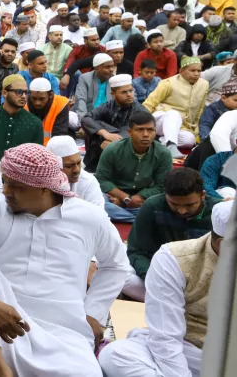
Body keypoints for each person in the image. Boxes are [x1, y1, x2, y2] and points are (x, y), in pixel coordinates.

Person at [0, 143, 129, 377]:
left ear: (44, 188)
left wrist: (94, 313)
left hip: (65, 326)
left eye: (15, 186)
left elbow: (115, 266)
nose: (5, 191)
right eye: (4, 182)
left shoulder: (89, 217)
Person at [100, 200, 230, 377]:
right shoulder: (176, 258)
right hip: (187, 348)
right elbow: (166, 336)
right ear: (224, 244)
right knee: (116, 355)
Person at [120, 167, 221, 303]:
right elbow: (137, 251)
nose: (182, 210)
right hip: (162, 277)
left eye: (190, 205)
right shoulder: (152, 207)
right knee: (120, 274)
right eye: (173, 203)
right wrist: (155, 277)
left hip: (204, 281)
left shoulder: (218, 213)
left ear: (203, 195)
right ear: (165, 195)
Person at [96, 111, 173, 223]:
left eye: (150, 130)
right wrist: (126, 198)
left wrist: (138, 197)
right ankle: (139, 219)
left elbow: (162, 186)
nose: (146, 134)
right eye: (140, 130)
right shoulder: (113, 149)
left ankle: (125, 215)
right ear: (130, 132)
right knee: (98, 202)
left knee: (166, 205)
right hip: (113, 196)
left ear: (155, 131)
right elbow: (101, 179)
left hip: (143, 200)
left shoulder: (163, 154)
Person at [143, 56, 210, 158]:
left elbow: (200, 110)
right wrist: (142, 125)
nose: (196, 74)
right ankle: (170, 145)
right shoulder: (168, 83)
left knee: (189, 140)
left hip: (181, 126)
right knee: (174, 114)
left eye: (199, 71)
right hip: (160, 120)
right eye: (192, 70)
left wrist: (196, 131)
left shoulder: (204, 85)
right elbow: (150, 103)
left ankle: (159, 141)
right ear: (181, 71)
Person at [82, 74, 146, 171]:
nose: (129, 94)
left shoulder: (140, 110)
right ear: (113, 94)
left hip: (127, 149)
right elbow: (86, 119)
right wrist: (105, 133)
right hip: (104, 144)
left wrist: (112, 141)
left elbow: (136, 131)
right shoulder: (108, 106)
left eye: (131, 90)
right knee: (95, 125)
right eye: (124, 92)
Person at [0, 75, 43, 160]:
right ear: (4, 93)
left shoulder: (34, 123)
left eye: (26, 92)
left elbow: (36, 159)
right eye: (19, 91)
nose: (24, 96)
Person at [26, 78, 72, 145]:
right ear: (29, 95)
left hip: (52, 149)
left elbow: (60, 136)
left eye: (42, 99)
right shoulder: (24, 104)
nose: (37, 103)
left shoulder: (60, 104)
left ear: (51, 95)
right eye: (34, 98)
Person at [73, 53, 115, 118]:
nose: (111, 69)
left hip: (107, 116)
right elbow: (81, 99)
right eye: (107, 67)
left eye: (112, 66)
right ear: (96, 68)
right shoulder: (85, 78)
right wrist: (84, 119)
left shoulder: (115, 80)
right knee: (70, 117)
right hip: (88, 114)